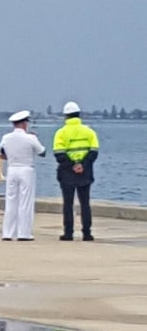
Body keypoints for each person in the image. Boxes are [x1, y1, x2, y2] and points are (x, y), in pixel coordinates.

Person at [53, 101, 99, 241]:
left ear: (66, 116)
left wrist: (73, 164)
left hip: (67, 173)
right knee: (85, 203)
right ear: (79, 115)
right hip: (85, 173)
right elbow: (94, 151)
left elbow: (59, 154)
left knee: (68, 204)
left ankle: (68, 233)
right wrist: (82, 165)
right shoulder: (89, 132)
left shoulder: (61, 133)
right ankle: (87, 233)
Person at [0, 110, 45, 241]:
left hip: (12, 169)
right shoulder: (30, 138)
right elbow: (42, 152)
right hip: (26, 169)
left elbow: (1, 154)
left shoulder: (6, 138)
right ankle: (24, 233)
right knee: (25, 202)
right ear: (25, 124)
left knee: (11, 200)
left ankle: (7, 233)